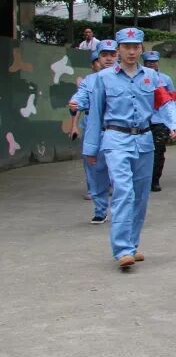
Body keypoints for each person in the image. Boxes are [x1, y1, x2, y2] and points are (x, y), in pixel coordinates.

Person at [83, 28, 176, 269]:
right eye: (126, 47)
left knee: (140, 195)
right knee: (123, 191)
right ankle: (122, 249)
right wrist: (91, 148)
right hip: (116, 139)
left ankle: (132, 244)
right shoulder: (104, 78)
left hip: (144, 140)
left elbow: (165, 103)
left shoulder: (152, 76)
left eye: (135, 47)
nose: (131, 51)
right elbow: (95, 114)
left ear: (141, 49)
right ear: (118, 50)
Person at [69, 39, 117, 223]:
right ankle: (100, 209)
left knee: (119, 172)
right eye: (104, 55)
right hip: (95, 130)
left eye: (112, 55)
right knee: (95, 171)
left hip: (118, 131)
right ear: (97, 59)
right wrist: (75, 103)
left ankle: (120, 211)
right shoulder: (89, 81)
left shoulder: (126, 78)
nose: (108, 59)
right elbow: (80, 98)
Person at [142, 50, 176, 192]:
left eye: (154, 61)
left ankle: (154, 180)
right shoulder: (139, 78)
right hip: (143, 121)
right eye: (149, 62)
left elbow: (173, 101)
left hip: (160, 120)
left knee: (158, 152)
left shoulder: (165, 79)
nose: (152, 64)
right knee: (142, 153)